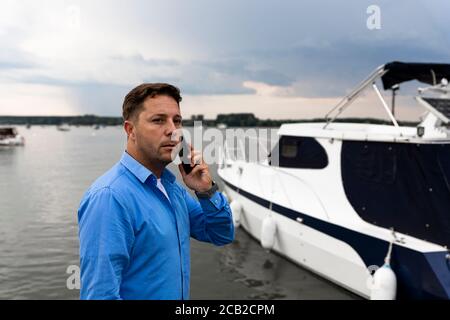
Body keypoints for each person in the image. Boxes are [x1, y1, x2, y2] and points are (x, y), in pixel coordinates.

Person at [77, 83, 234, 300]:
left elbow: (221, 234)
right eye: (158, 120)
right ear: (130, 130)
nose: (172, 130)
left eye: (176, 121)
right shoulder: (110, 197)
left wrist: (206, 190)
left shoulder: (171, 188)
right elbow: (100, 295)